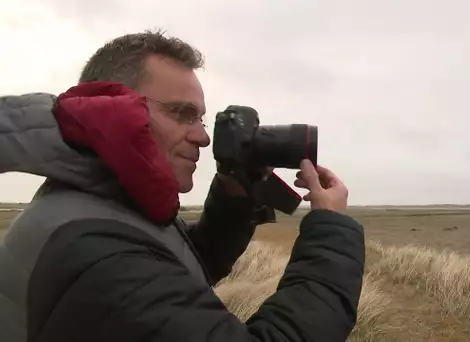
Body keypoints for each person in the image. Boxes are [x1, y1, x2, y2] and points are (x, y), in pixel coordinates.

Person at [0, 30, 365, 342]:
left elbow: (178, 263)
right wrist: (331, 229)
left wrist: (234, 198)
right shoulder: (97, 256)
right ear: (112, 108)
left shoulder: (106, 202)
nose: (203, 138)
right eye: (181, 113)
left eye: (202, 118)